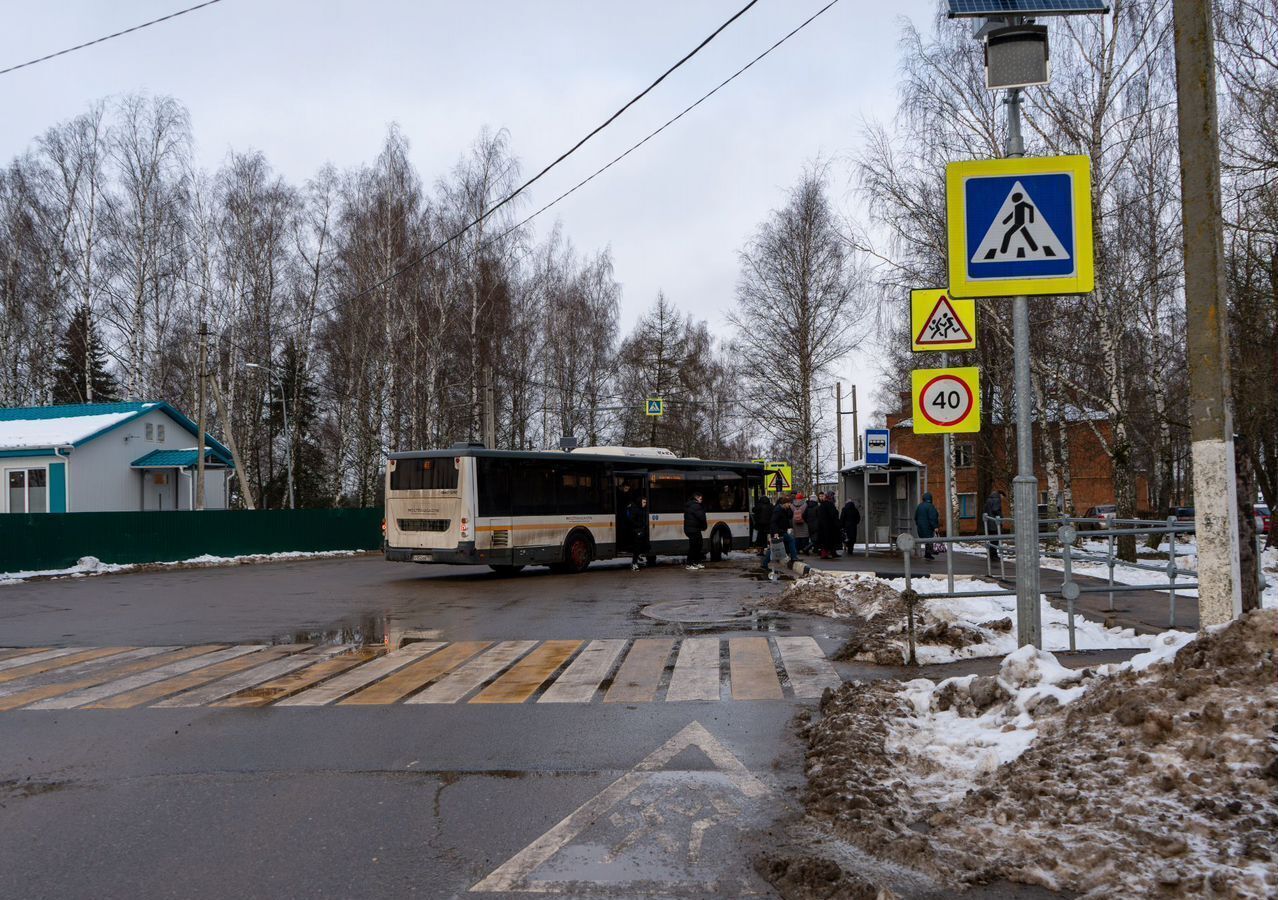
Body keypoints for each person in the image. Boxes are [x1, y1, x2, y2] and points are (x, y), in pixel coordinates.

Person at [763, 494, 798, 570]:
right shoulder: (778, 510)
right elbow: (773, 522)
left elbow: (789, 517)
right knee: (791, 540)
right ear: (785, 503)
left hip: (780, 531)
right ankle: (794, 557)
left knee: (774, 548)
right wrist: (775, 532)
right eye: (789, 504)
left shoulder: (784, 509)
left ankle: (764, 563)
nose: (790, 505)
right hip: (778, 532)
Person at [684, 491, 708, 570]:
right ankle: (689, 563)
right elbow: (702, 517)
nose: (702, 500)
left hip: (692, 529)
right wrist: (704, 526)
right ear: (696, 498)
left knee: (697, 545)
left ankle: (696, 562)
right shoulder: (696, 506)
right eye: (701, 498)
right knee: (695, 546)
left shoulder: (690, 505)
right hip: (693, 529)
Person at [626, 496, 651, 571]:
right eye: (643, 502)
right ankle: (634, 564)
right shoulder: (635, 509)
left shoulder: (642, 509)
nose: (645, 504)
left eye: (646, 502)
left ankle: (637, 558)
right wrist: (639, 525)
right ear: (640, 502)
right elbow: (631, 520)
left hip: (641, 530)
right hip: (637, 531)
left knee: (643, 546)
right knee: (636, 548)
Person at [915, 492, 940, 560]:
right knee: (929, 539)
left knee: (927, 540)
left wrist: (919, 524)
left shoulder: (919, 506)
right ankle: (928, 554)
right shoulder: (930, 506)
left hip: (920, 527)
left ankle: (928, 553)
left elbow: (915, 517)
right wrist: (935, 527)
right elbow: (933, 518)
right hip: (928, 527)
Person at [817, 492, 841, 559]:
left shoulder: (821, 505)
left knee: (824, 541)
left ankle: (825, 554)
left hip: (822, 526)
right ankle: (829, 554)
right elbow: (833, 515)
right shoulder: (830, 505)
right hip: (830, 526)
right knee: (831, 540)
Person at [984, 490, 1003, 562]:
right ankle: (994, 556)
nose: (1002, 499)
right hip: (994, 523)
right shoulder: (996, 499)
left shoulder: (989, 499)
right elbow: (995, 510)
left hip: (989, 523)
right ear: (1000, 494)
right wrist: (1001, 517)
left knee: (991, 539)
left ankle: (991, 555)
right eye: (1002, 497)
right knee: (995, 540)